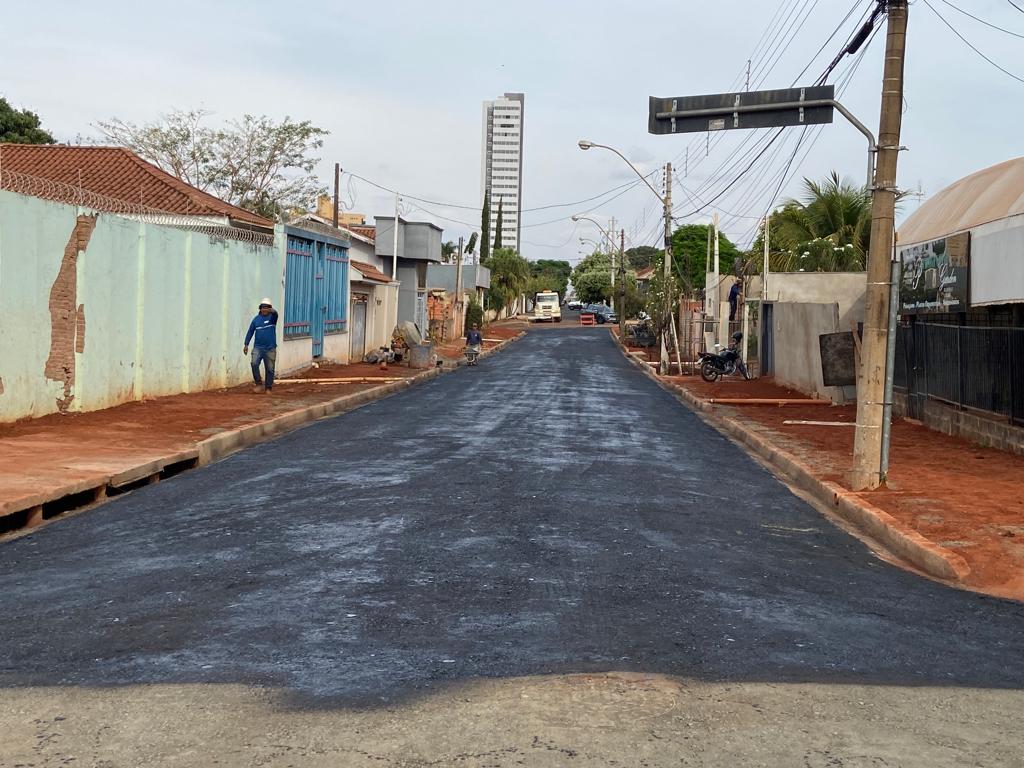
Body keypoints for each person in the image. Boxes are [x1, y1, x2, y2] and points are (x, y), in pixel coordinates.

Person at [243, 298, 278, 393]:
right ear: (260, 308)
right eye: (263, 307)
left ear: (270, 308)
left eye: (267, 307)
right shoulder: (256, 320)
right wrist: (246, 344)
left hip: (270, 348)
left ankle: (268, 388)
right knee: (254, 363)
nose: (264, 309)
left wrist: (273, 311)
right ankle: (258, 383)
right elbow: (250, 332)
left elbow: (276, 314)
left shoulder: (272, 319)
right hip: (258, 348)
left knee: (270, 369)